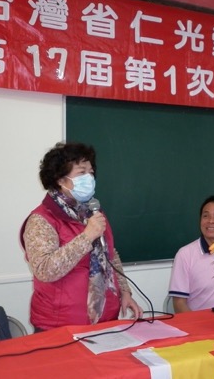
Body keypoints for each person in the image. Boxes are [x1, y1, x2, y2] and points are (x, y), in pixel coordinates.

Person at [20, 142, 142, 332]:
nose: (89, 178)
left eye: (91, 172)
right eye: (81, 172)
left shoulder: (92, 212)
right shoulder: (41, 219)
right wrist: (86, 237)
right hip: (60, 325)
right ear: (60, 179)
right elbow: (45, 270)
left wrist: (125, 291)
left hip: (106, 318)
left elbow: (110, 253)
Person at [168, 195, 214, 313]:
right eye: (206, 216)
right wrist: (198, 324)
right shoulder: (185, 254)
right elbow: (179, 303)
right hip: (200, 322)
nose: (211, 221)